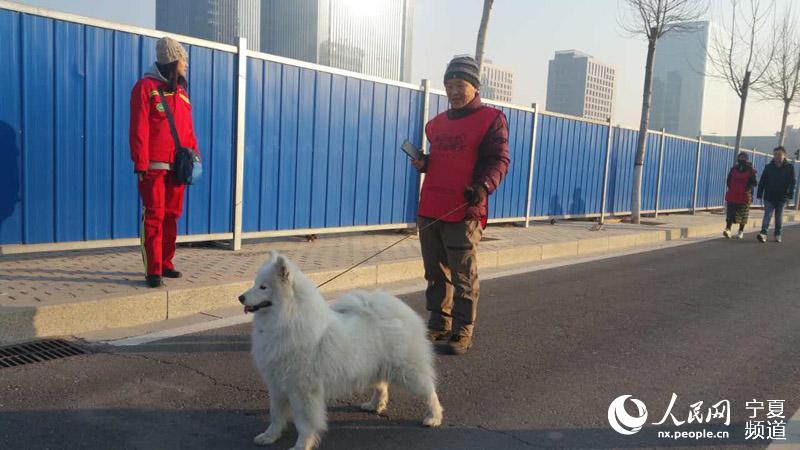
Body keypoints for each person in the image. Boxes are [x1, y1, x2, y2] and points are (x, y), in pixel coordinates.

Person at [411, 55, 510, 355]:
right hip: (430, 207)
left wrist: (483, 188)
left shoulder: (491, 119)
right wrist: (425, 162)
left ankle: (462, 330)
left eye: (460, 84)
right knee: (434, 272)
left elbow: (499, 160)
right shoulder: (435, 125)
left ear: (474, 86)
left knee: (462, 274)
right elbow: (443, 158)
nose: (453, 91)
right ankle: (438, 322)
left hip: (463, 209)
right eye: (449, 85)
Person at [130, 37, 198, 287]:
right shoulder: (144, 88)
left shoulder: (182, 93)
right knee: (155, 216)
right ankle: (153, 270)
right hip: (153, 167)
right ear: (172, 60)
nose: (186, 65)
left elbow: (189, 131)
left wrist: (195, 157)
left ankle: (167, 263)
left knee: (172, 216)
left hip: (178, 168)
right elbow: (139, 128)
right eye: (184, 60)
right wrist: (140, 163)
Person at [756, 146, 795, 243]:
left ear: (784, 156)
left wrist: (790, 194)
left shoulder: (789, 167)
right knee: (767, 215)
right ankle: (763, 233)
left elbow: (792, 182)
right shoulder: (768, 167)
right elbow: (762, 180)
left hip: (781, 197)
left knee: (778, 217)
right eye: (775, 154)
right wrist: (759, 193)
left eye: (779, 154)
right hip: (769, 196)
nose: (777, 156)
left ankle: (777, 234)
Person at [723, 152, 757, 239]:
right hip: (733, 194)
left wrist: (746, 189)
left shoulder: (750, 170)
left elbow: (754, 182)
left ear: (747, 159)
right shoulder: (733, 169)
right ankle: (728, 229)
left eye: (743, 158)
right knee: (730, 213)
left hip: (745, 195)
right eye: (740, 158)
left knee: (743, 214)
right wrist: (732, 188)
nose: (741, 159)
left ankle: (741, 231)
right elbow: (728, 180)